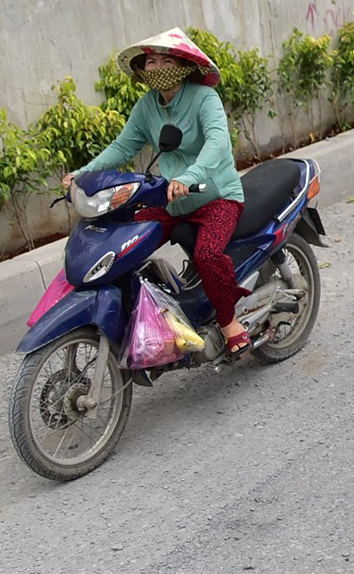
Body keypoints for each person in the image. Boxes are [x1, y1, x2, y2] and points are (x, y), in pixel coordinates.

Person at [64, 28, 252, 353]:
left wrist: (191, 175)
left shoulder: (204, 98)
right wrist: (81, 175)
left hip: (216, 197)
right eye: (150, 62)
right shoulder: (145, 107)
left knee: (207, 255)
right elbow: (121, 148)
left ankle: (228, 322)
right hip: (171, 200)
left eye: (165, 60)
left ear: (182, 66)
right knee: (122, 240)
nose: (157, 68)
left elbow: (218, 142)